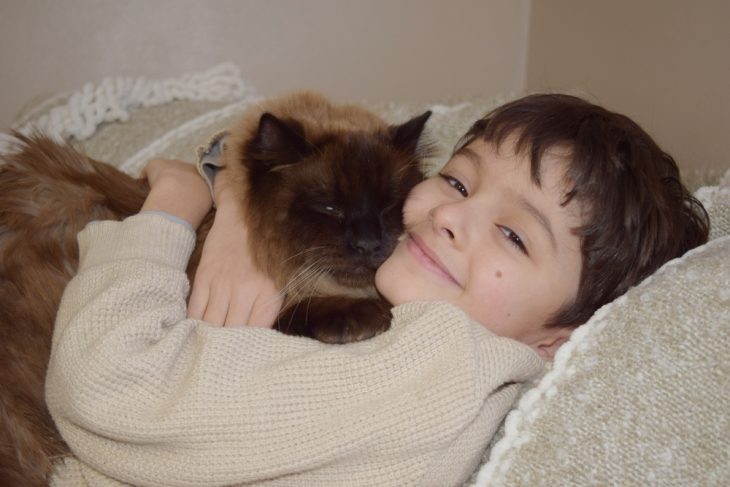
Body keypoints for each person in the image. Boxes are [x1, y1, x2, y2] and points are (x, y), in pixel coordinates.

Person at [45, 94, 708, 486]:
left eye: (513, 236)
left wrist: (168, 212)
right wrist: (237, 202)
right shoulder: (419, 338)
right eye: (456, 181)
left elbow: (105, 386)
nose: (450, 216)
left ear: (555, 341)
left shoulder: (439, 374)